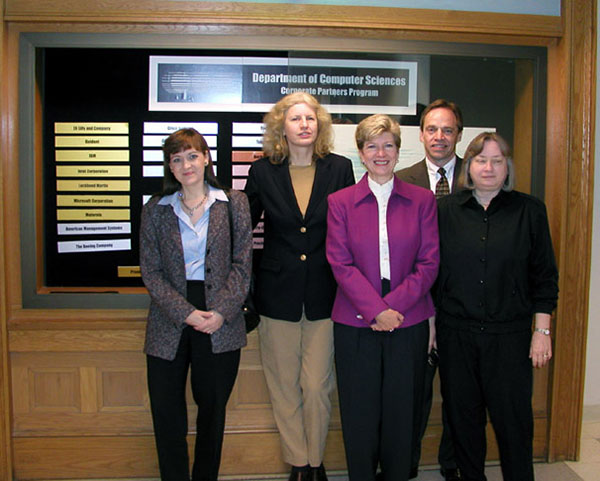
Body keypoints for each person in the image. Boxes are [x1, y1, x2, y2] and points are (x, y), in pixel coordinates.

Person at [435, 132, 558, 481]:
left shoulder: (530, 211)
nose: (488, 168)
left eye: (497, 161)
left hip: (511, 337)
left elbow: (545, 277)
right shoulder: (444, 211)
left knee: (513, 423)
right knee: (463, 422)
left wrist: (542, 331)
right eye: (480, 160)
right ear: (468, 166)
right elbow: (432, 275)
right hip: (456, 334)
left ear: (508, 167)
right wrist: (431, 328)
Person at [245, 92, 354, 481]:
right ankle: (300, 463)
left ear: (319, 125)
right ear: (282, 127)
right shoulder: (262, 172)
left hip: (327, 293)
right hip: (277, 293)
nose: (304, 125)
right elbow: (244, 228)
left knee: (317, 385)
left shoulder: (340, 169)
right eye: (295, 119)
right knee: (284, 385)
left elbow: (352, 231)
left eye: (310, 118)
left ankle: (317, 457)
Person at [326, 114, 440, 481]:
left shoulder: (422, 200)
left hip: (408, 319)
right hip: (355, 321)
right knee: (358, 411)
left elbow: (429, 262)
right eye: (372, 145)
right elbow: (340, 263)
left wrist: (394, 308)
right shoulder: (340, 202)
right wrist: (376, 310)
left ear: (398, 150)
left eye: (388, 144)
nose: (380, 153)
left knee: (401, 411)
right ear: (360, 152)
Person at [140, 128, 252, 481]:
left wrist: (220, 313)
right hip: (168, 320)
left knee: (212, 413)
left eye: (192, 156)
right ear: (170, 168)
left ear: (206, 158)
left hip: (220, 319)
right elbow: (151, 271)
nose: (185, 164)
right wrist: (186, 312)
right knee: (167, 414)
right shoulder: (155, 209)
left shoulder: (234, 203)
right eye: (176, 159)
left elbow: (242, 264)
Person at [396, 98, 464, 480]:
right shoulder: (402, 179)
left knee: (459, 394)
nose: (439, 137)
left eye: (448, 129)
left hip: (464, 304)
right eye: (432, 129)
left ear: (459, 134)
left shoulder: (480, 175)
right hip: (415, 301)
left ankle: (452, 463)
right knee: (413, 394)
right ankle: (404, 464)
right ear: (421, 134)